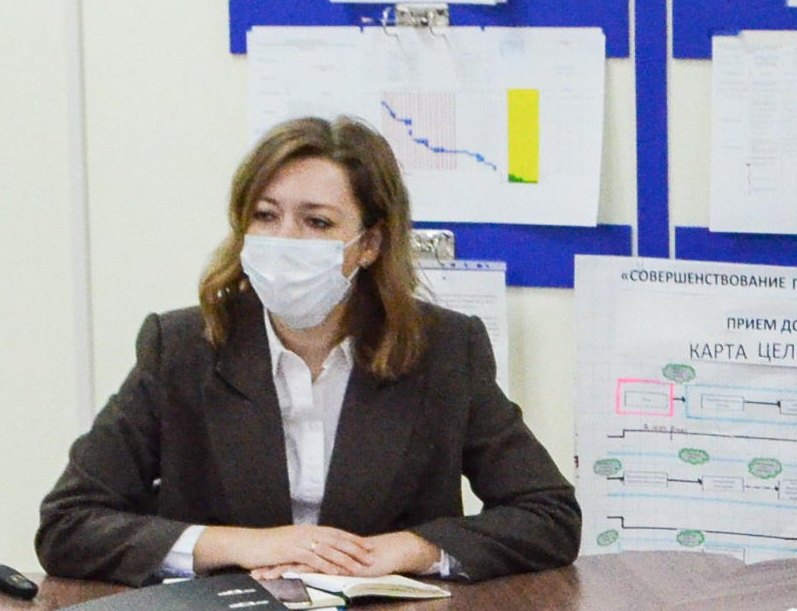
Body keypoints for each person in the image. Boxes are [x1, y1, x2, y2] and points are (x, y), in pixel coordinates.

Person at [38, 116, 578, 585]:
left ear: (369, 244)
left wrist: (411, 550)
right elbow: (68, 523)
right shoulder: (181, 347)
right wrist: (244, 545)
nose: (284, 240)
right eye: (265, 216)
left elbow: (549, 516)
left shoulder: (443, 350)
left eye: (317, 222)